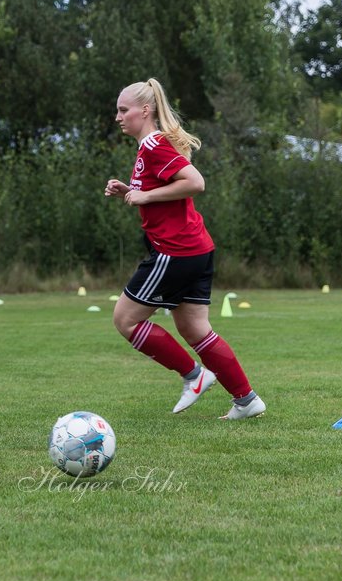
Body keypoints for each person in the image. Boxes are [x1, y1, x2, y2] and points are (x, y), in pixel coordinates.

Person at [104, 78, 266, 421]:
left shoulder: (153, 145)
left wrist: (144, 196)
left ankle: (194, 376)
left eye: (123, 109)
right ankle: (246, 400)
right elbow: (164, 189)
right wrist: (128, 190)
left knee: (125, 320)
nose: (118, 116)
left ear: (144, 110)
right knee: (195, 330)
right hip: (196, 248)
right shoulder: (149, 147)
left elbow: (195, 182)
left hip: (174, 251)